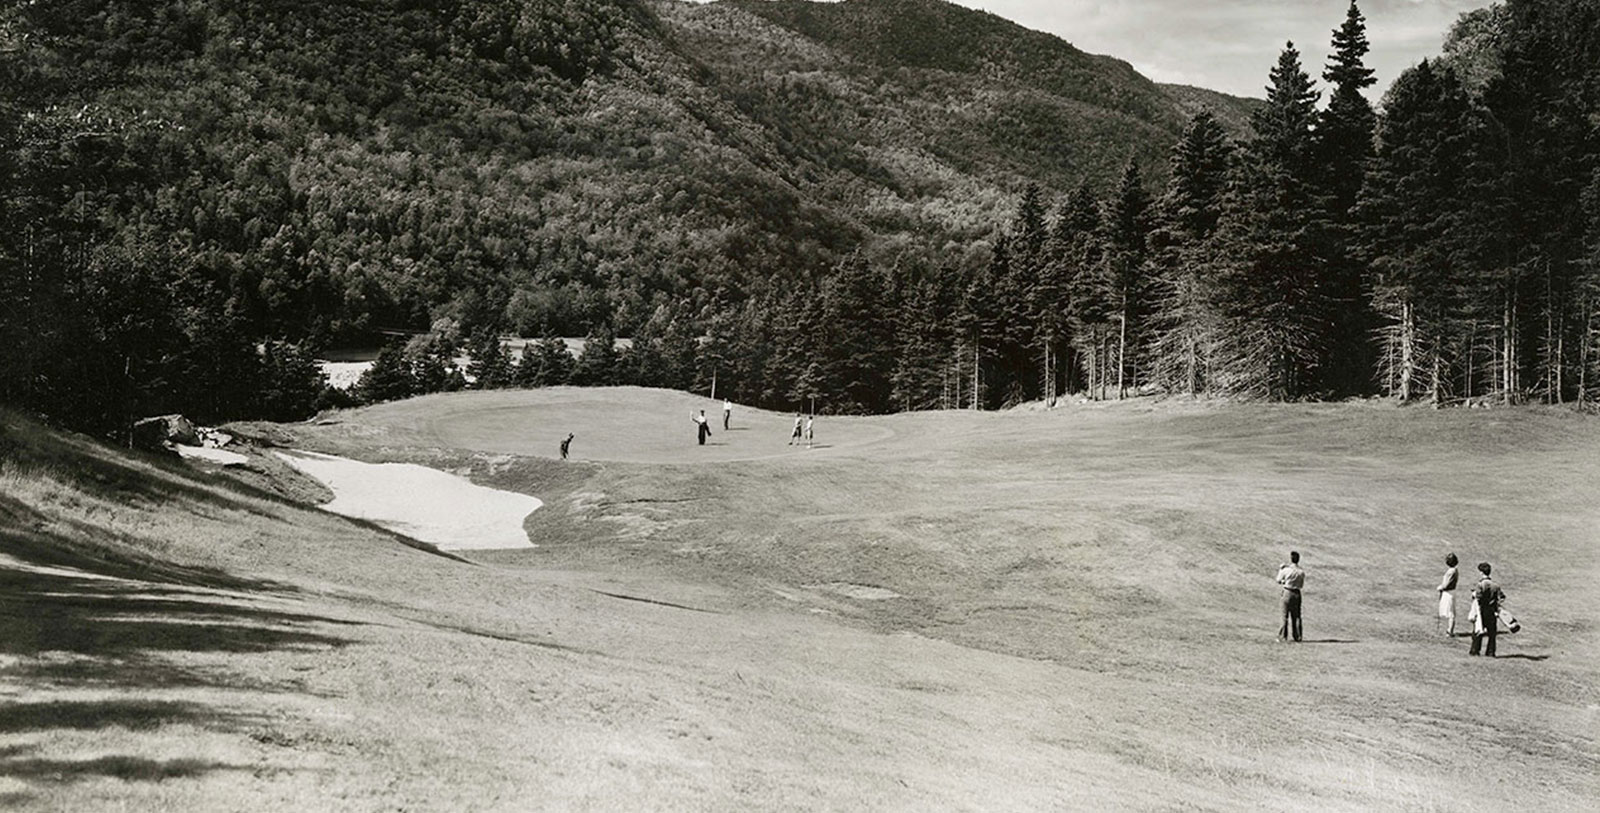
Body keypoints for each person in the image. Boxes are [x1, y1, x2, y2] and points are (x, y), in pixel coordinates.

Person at [1469, 562, 1506, 657]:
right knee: (1492, 633)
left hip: (1482, 610)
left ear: (1481, 572)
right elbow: (1502, 597)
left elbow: (1478, 597)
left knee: (1478, 631)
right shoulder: (1496, 585)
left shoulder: (1480, 584)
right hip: (1492, 611)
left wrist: (1473, 594)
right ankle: (1490, 652)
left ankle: (1475, 650)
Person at [1276, 551, 1304, 642]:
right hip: (1297, 593)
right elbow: (1301, 584)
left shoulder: (1286, 570)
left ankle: (1283, 636)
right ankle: (1298, 636)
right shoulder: (1301, 572)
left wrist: (1281, 569)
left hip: (1287, 592)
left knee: (1284, 615)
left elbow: (1278, 580)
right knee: (1296, 616)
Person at [1436, 553, 1459, 636]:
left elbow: (1446, 585)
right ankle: (1449, 630)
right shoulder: (1455, 570)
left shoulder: (1451, 571)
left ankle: (1450, 631)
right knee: (1451, 611)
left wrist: (1440, 587)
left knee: (1451, 612)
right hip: (1451, 592)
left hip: (1449, 593)